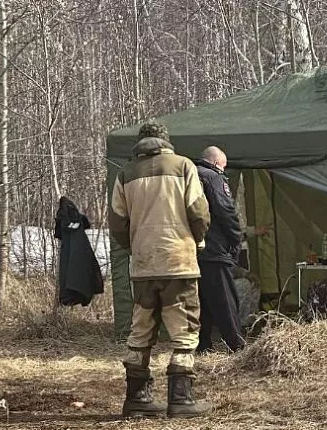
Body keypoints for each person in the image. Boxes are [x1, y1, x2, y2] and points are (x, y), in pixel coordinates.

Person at [109, 120, 212, 419]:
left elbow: (117, 221)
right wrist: (198, 240)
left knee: (140, 329)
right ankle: (181, 399)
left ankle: (137, 397)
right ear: (166, 141)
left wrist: (135, 246)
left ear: (140, 144)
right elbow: (199, 212)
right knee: (184, 329)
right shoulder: (183, 166)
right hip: (178, 261)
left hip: (143, 264)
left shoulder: (125, 173)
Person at [194, 146, 269, 353]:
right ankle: (237, 345)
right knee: (225, 299)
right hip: (215, 249)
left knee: (203, 301)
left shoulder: (190, 177)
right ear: (217, 163)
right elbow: (225, 210)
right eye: (224, 167)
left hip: (193, 250)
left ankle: (203, 344)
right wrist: (236, 237)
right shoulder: (214, 178)